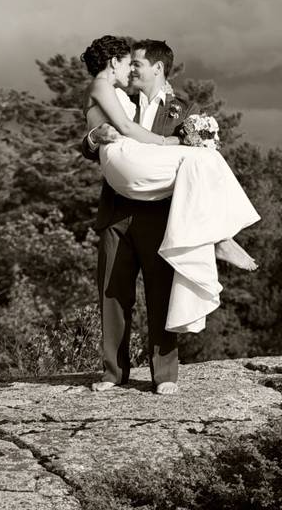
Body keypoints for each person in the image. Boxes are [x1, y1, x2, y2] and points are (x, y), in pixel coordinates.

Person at [79, 36, 259, 395]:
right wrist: (95, 137)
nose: (130, 70)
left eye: (137, 64)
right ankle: (113, 373)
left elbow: (194, 157)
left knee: (162, 294)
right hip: (116, 211)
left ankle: (165, 375)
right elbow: (88, 146)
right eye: (128, 64)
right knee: (112, 295)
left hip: (161, 215)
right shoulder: (119, 98)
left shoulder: (185, 111)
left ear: (158, 68)